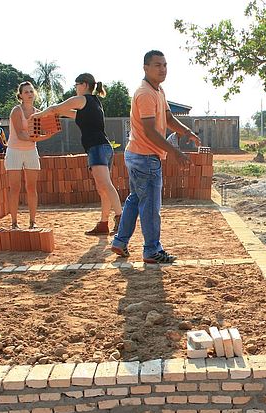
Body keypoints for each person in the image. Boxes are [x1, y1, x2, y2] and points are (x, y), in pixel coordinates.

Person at [110, 50, 201, 263]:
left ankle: (120, 242)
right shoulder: (145, 94)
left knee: (135, 199)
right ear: (146, 68)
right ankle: (151, 250)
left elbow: (168, 118)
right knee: (150, 206)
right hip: (145, 157)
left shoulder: (158, 90)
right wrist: (175, 152)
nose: (162, 69)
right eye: (157, 65)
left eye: (165, 65)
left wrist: (186, 132)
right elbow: (150, 130)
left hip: (139, 155)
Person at [34, 73, 123, 236]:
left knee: (105, 185)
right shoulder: (94, 103)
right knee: (103, 188)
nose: (75, 88)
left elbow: (56, 108)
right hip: (102, 148)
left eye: (76, 85)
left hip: (97, 147)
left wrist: (36, 116)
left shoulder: (83, 100)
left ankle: (120, 217)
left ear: (84, 85)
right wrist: (50, 113)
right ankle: (104, 224)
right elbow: (67, 113)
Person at [5, 81, 58, 229]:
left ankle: (32, 221)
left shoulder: (38, 112)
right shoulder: (16, 111)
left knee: (31, 187)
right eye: (26, 92)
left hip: (31, 151)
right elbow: (21, 135)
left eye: (31, 91)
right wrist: (42, 138)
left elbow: (45, 130)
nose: (29, 94)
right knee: (14, 187)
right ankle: (14, 222)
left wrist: (51, 129)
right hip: (14, 150)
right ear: (20, 96)